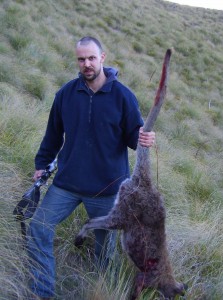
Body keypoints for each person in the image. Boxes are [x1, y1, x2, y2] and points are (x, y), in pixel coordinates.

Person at [27, 36, 155, 300]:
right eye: (81, 59)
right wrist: (41, 164)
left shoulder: (123, 96)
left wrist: (144, 138)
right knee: (38, 228)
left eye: (91, 58)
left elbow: (134, 138)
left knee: (104, 253)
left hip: (108, 190)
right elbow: (53, 135)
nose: (86, 64)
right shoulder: (66, 94)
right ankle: (43, 293)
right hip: (67, 184)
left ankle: (98, 293)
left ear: (103, 58)